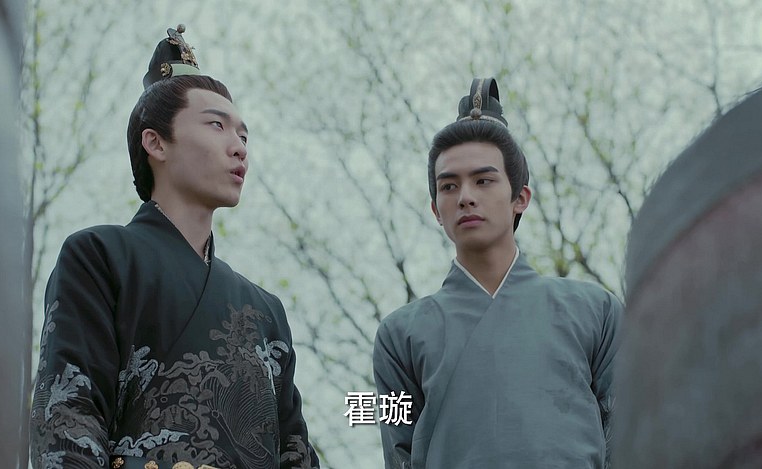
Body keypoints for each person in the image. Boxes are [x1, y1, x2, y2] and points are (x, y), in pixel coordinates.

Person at [30, 25, 319, 469]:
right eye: (217, 125)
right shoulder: (99, 257)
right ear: (156, 142)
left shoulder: (265, 310)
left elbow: (294, 452)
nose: (239, 148)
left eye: (244, 136)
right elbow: (68, 413)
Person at [372, 78, 622, 468]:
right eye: (449, 186)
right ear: (436, 210)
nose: (465, 197)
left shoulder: (596, 312)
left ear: (520, 197)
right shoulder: (399, 335)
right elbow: (398, 451)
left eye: (484, 180)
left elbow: (628, 437)